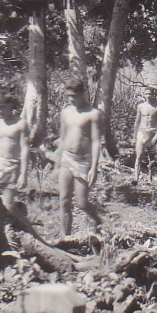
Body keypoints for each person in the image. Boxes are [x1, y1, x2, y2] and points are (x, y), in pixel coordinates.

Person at [55, 78, 103, 236]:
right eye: (68, 95)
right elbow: (62, 139)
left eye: (74, 96)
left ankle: (97, 218)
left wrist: (94, 168)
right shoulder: (66, 112)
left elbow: (96, 141)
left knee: (81, 203)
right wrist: (56, 164)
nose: (71, 99)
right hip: (66, 158)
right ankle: (65, 237)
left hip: (83, 160)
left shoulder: (93, 114)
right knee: (64, 200)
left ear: (83, 93)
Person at [0, 92, 29, 217]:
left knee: (8, 204)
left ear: (10, 105)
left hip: (12, 166)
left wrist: (24, 174)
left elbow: (25, 149)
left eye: (1, 107)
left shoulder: (20, 124)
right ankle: (7, 229)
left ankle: (31, 231)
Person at [133, 89, 157, 183]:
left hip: (152, 132)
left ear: (153, 95)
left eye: (150, 94)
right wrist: (134, 137)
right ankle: (135, 178)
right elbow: (137, 122)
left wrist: (156, 136)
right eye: (146, 94)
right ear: (144, 95)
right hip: (142, 132)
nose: (148, 96)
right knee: (139, 156)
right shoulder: (140, 106)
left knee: (152, 157)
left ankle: (149, 179)